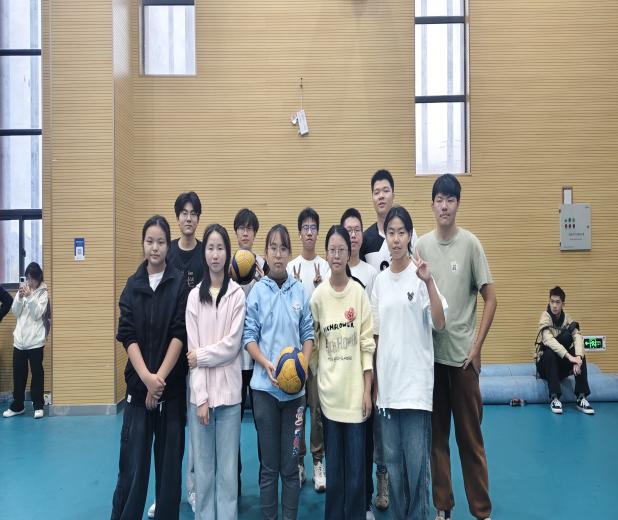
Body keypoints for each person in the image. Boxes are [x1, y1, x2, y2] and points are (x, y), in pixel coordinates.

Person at [415, 174, 497, 520]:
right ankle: (442, 508)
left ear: (457, 204)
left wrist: (476, 347)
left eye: (450, 199)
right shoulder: (421, 247)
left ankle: (481, 511)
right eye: (439, 199)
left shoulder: (471, 245)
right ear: (432, 204)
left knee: (470, 441)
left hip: (463, 363)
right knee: (437, 443)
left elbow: (491, 298)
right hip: (432, 362)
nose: (444, 206)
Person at [372, 206, 447, 520]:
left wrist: (428, 282)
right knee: (393, 470)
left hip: (415, 391)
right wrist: (375, 387)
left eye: (401, 232)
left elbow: (440, 323)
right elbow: (375, 338)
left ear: (409, 236)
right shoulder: (379, 282)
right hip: (388, 393)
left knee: (417, 473)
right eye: (391, 232)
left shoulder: (420, 278)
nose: (396, 239)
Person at [111, 215, 188, 520]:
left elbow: (180, 334)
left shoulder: (179, 283)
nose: (155, 247)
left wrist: (160, 382)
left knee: (169, 474)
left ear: (168, 246)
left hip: (170, 392)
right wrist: (146, 378)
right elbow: (127, 335)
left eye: (161, 242)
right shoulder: (133, 285)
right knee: (132, 470)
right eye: (149, 241)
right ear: (143, 244)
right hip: (138, 392)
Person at [243, 224, 314, 520]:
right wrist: (265, 363)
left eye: (283, 248)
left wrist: (303, 365)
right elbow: (249, 336)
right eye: (273, 248)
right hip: (264, 391)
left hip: (295, 395)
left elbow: (308, 332)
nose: (278, 254)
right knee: (270, 467)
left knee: (291, 467)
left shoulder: (300, 290)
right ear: (266, 252)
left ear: (289, 252)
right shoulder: (258, 292)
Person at [310, 225, 375, 520]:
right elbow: (313, 344)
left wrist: (367, 389)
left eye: (341, 250)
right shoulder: (318, 297)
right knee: (335, 475)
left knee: (357, 473)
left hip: (355, 399)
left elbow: (366, 345)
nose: (336, 255)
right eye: (332, 250)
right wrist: (317, 377)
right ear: (326, 254)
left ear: (349, 254)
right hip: (330, 397)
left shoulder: (358, 294)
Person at [185, 224, 247, 519]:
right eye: (210, 248)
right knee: (204, 471)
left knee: (227, 473)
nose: (215, 254)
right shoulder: (193, 297)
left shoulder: (237, 295)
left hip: (230, 398)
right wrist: (200, 398)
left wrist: (201, 357)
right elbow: (191, 348)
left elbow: (232, 346)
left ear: (227, 253)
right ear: (204, 253)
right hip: (201, 400)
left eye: (220, 248)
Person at [149, 191, 204, 518]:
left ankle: (195, 490)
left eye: (193, 212)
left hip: (197, 357)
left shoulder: (205, 253)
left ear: (198, 218)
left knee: (196, 430)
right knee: (170, 436)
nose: (188, 217)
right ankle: (164, 494)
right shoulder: (166, 253)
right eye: (183, 212)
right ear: (177, 216)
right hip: (169, 356)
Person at [340, 208, 381, 519]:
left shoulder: (371, 274)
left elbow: (373, 327)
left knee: (364, 440)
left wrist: (372, 375)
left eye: (357, 230)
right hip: (339, 371)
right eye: (348, 230)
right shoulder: (334, 273)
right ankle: (344, 498)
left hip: (363, 367)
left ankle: (366, 500)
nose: (353, 235)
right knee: (340, 441)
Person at [287, 207, 329, 491]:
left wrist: (320, 288)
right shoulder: (292, 268)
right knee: (298, 411)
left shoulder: (325, 267)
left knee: (317, 411)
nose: (310, 232)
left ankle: (318, 461)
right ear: (300, 232)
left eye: (314, 227)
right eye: (306, 227)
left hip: (319, 352)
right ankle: (299, 461)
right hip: (295, 353)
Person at [233, 208, 267, 494]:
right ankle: (234, 479)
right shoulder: (228, 265)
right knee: (231, 424)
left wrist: (262, 279)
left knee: (261, 423)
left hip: (256, 358)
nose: (245, 233)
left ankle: (265, 479)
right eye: (241, 228)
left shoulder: (263, 265)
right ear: (236, 232)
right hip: (233, 359)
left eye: (249, 228)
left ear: (255, 233)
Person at [535, 286, 594, 415]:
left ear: (563, 304)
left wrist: (577, 358)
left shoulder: (567, 318)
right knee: (549, 352)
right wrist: (569, 357)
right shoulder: (545, 317)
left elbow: (577, 336)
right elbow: (549, 340)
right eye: (552, 301)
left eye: (558, 302)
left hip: (560, 365)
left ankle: (581, 397)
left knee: (579, 352)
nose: (554, 305)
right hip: (545, 365)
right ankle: (555, 398)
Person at [3, 263, 49, 420]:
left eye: (31, 279)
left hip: (35, 341)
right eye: (27, 278)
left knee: (37, 374)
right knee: (18, 375)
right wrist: (20, 297)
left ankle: (38, 406)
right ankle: (18, 406)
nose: (29, 282)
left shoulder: (43, 293)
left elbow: (37, 314)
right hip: (19, 341)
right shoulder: (22, 290)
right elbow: (15, 312)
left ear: (38, 278)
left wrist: (29, 297)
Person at [360, 169, 418, 275]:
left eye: (386, 191)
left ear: (393, 196)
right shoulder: (365, 239)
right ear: (372, 198)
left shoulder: (410, 232)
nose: (381, 196)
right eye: (376, 192)